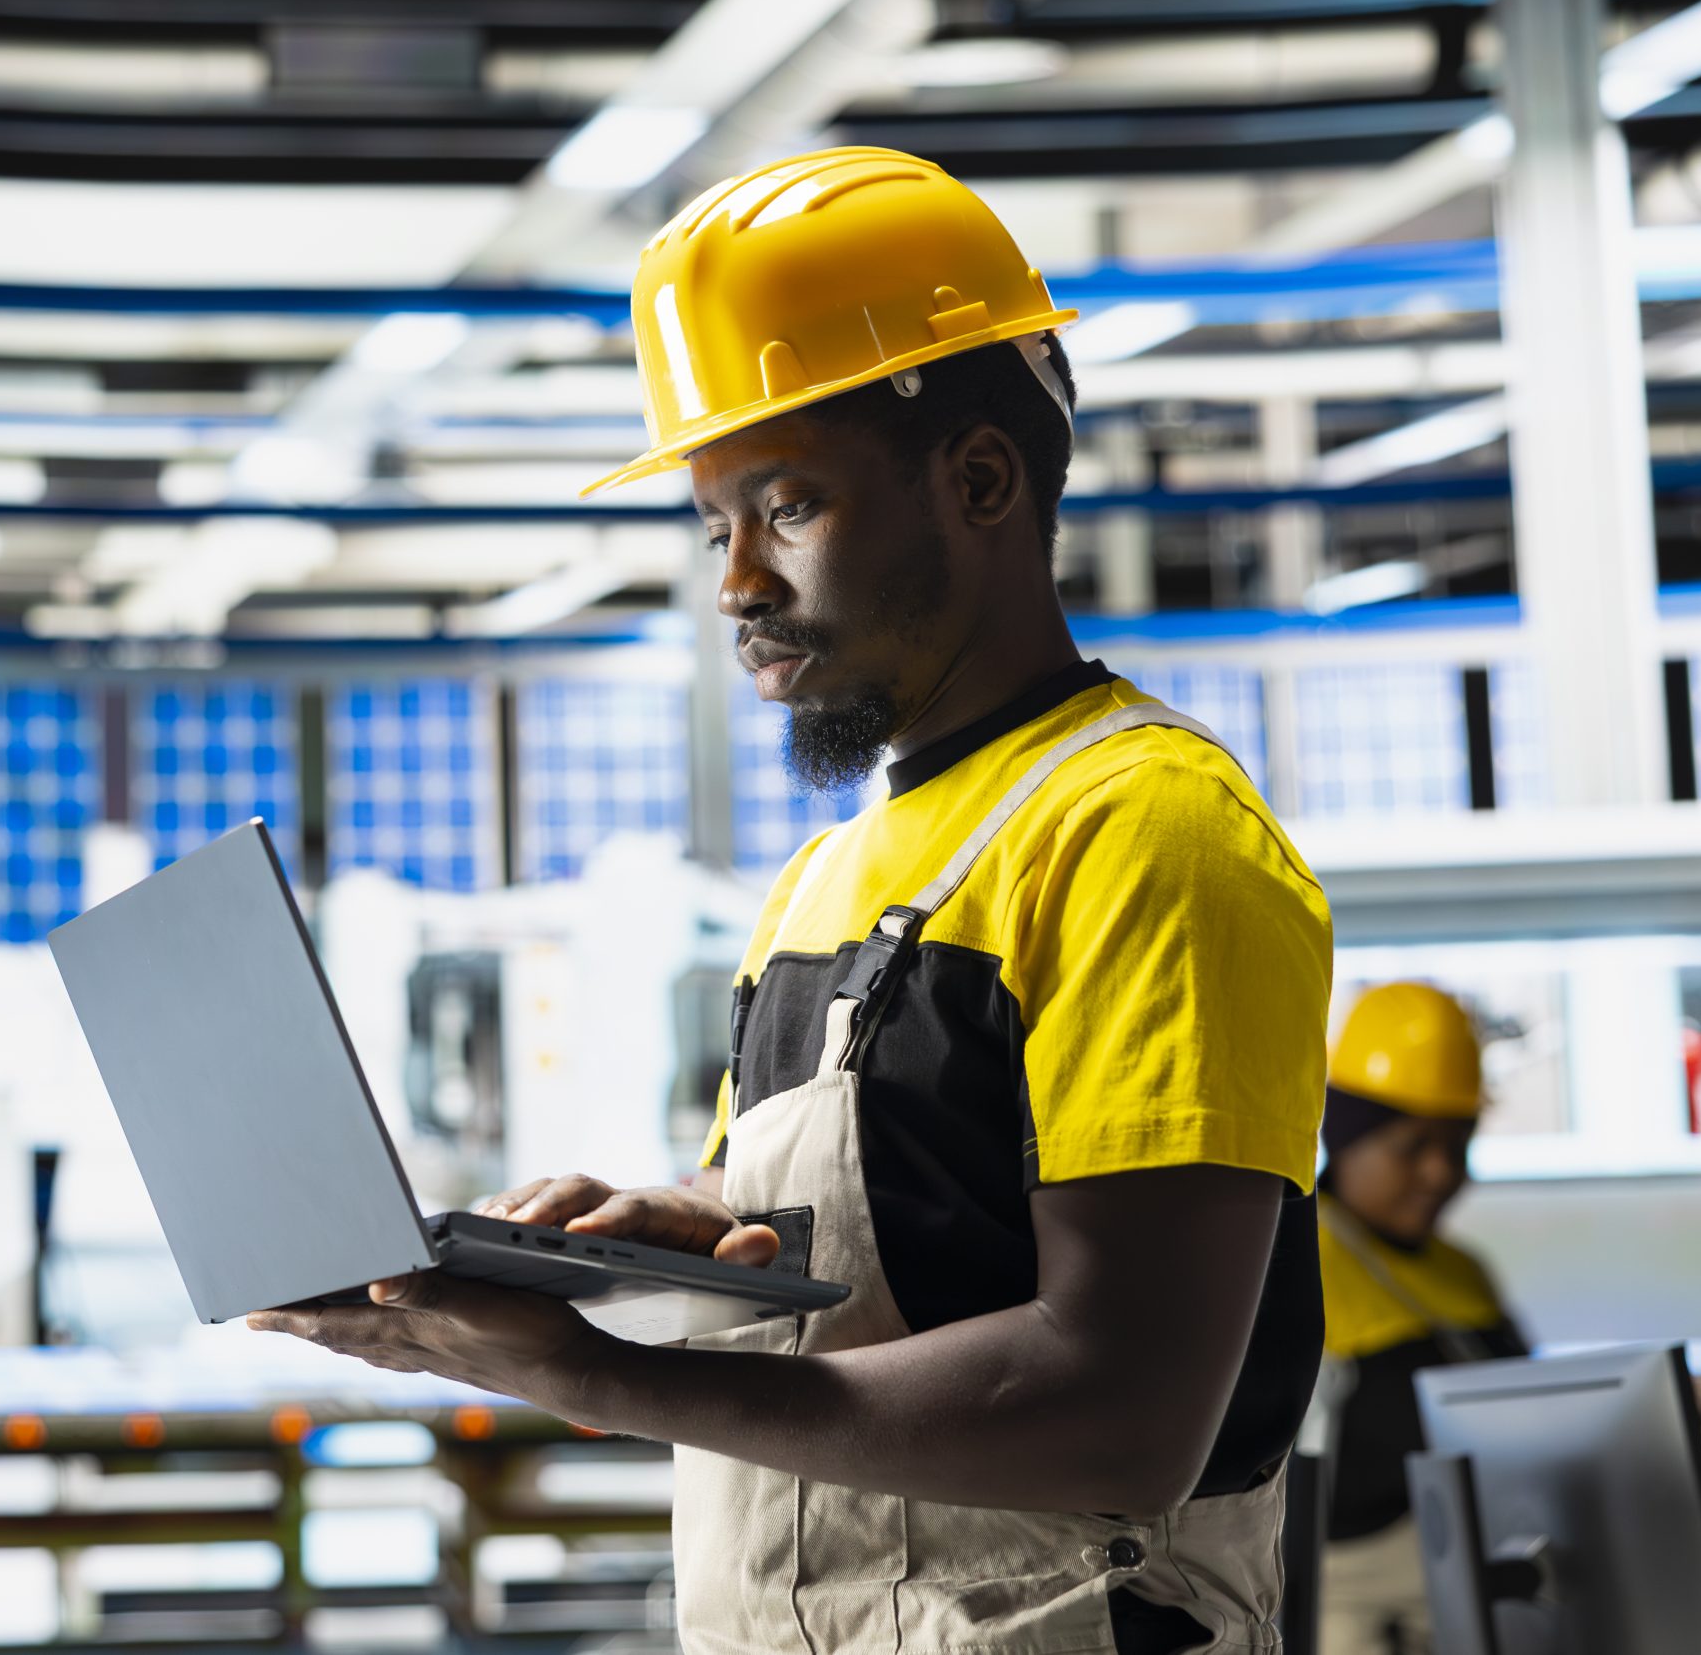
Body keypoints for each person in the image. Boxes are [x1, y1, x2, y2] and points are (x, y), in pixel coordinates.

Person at [251, 147, 1334, 1653]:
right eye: (716, 526)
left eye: (789, 506)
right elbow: (852, 1272)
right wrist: (650, 1242)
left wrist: (591, 1374)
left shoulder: (1146, 828)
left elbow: (1122, 1409)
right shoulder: (833, 875)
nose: (734, 583)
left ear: (978, 481)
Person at [1315, 982, 1527, 1655]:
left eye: (1459, 1141)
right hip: (1360, 1624)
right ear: (1345, 1136)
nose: (1441, 1171)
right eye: (1413, 1144)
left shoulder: (1465, 1269)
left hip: (1479, 1603)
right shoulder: (1286, 1265)